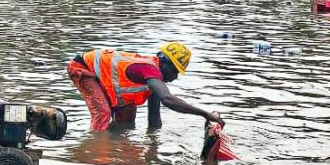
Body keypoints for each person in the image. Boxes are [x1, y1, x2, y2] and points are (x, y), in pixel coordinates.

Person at [66, 42, 223, 131]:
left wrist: (154, 145)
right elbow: (168, 99)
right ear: (165, 64)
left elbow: (154, 118)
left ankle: (116, 148)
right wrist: (205, 114)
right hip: (83, 68)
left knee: (127, 120)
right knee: (103, 113)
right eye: (175, 71)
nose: (175, 77)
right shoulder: (149, 69)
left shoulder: (153, 81)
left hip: (104, 81)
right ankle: (97, 150)